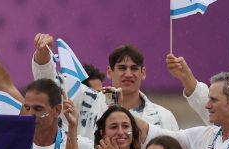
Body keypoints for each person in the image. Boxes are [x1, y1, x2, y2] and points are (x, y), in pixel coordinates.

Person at [31, 36, 180, 137]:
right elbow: (50, 88)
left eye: (134, 68)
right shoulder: (86, 103)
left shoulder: (164, 117)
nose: (128, 74)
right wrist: (43, 56)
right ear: (109, 72)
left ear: (143, 72)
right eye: (122, 68)